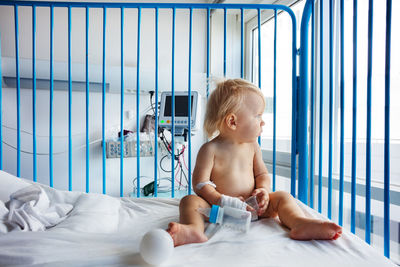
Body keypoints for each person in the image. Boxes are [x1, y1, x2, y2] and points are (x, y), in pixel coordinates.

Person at [167, 79, 342, 247]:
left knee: (283, 197)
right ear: (232, 121)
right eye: (258, 115)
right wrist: (220, 199)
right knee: (189, 202)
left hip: (255, 208)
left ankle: (299, 222)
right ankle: (194, 230)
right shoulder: (210, 149)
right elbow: (200, 184)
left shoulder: (253, 146)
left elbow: (262, 174)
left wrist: (263, 191)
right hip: (221, 212)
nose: (263, 121)